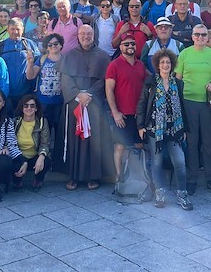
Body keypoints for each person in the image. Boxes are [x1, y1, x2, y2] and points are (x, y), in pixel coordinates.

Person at [54, 25, 113, 191]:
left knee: (93, 141)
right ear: (78, 36)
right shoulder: (69, 55)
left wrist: (90, 94)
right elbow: (65, 78)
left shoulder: (103, 56)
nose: (86, 36)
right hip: (74, 104)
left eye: (89, 34)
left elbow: (104, 80)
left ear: (94, 35)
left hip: (94, 104)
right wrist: (77, 95)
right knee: (74, 140)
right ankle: (73, 176)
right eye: (82, 34)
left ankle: (92, 177)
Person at [137, 48, 192, 210]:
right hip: (155, 129)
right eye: (162, 62)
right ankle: (159, 193)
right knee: (157, 162)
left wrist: (185, 130)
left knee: (180, 161)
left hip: (175, 129)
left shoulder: (178, 83)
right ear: (157, 65)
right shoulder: (150, 82)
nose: (165, 65)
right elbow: (141, 104)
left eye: (168, 62)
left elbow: (182, 106)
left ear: (172, 64)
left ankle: (182, 193)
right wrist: (140, 125)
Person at [175, 24, 211, 196]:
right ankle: (192, 179)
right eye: (197, 35)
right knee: (192, 143)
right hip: (189, 102)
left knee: (209, 143)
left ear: (207, 37)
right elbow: (178, 79)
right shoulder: (184, 54)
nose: (201, 37)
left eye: (204, 35)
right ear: (192, 36)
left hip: (207, 103)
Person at [105, 33, 147, 181]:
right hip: (122, 114)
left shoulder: (141, 65)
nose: (130, 46)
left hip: (139, 114)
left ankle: (138, 177)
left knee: (139, 145)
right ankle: (119, 176)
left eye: (132, 44)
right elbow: (108, 89)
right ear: (121, 46)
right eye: (126, 44)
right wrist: (115, 112)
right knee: (120, 146)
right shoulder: (114, 65)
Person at [0, 18, 40, 115]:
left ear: (23, 29)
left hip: (26, 91)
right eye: (12, 29)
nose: (15, 32)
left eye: (18, 29)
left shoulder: (29, 44)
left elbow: (38, 62)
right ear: (8, 29)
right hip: (6, 93)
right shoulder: (0, 46)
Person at [27, 33, 64, 134]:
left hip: (60, 102)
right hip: (43, 103)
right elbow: (30, 76)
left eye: (56, 44)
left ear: (61, 45)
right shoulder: (42, 59)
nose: (53, 46)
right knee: (43, 131)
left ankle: (58, 150)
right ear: (47, 47)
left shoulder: (65, 60)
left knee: (59, 131)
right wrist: (30, 64)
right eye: (50, 45)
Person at [13, 94, 51, 191]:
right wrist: (22, 160)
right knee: (9, 161)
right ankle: (17, 181)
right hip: (19, 156)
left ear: (36, 108)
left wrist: (41, 156)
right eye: (25, 106)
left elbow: (45, 143)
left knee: (46, 160)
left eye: (32, 105)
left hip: (34, 156)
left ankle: (38, 180)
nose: (29, 108)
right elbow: (10, 143)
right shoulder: (15, 122)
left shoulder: (42, 122)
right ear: (22, 108)